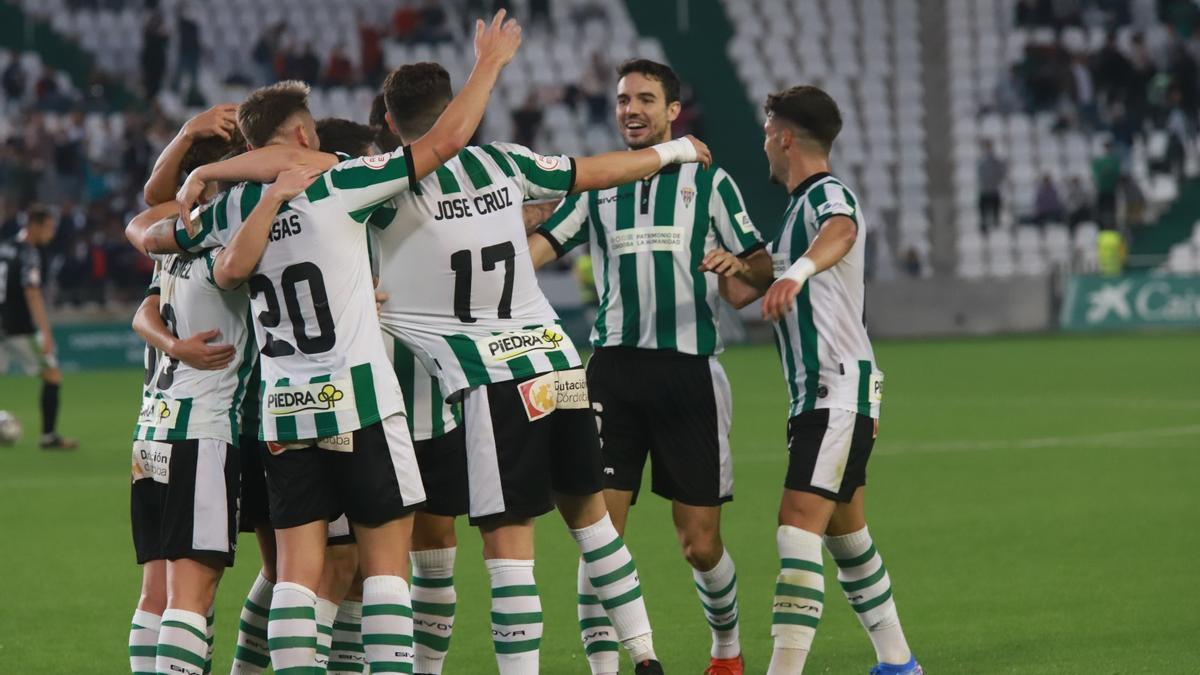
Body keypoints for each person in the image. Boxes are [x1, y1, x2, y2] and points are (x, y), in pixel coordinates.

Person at [137, 12, 523, 673]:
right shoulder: (344, 181)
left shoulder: (230, 208)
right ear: (305, 134)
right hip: (363, 401)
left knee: (294, 572)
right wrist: (489, 64)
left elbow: (151, 231)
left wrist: (204, 180)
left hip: (283, 408)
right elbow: (447, 140)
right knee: (383, 568)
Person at [360, 59, 707, 675]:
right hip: (557, 362)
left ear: (389, 121)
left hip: (493, 381)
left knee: (509, 548)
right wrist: (675, 151)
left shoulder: (384, 188)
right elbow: (597, 171)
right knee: (593, 522)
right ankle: (646, 656)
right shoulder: (505, 163)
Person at [531, 58, 771, 675]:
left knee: (700, 545)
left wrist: (737, 268)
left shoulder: (712, 184)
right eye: (621, 100)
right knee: (598, 536)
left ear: (672, 111)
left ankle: (725, 648)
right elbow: (540, 248)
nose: (630, 110)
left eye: (643, 99)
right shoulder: (600, 184)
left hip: (690, 373)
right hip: (610, 373)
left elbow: (759, 271)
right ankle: (611, 667)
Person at [717, 85, 922, 675]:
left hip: (836, 390)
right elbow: (740, 292)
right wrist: (732, 267)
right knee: (845, 536)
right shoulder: (789, 221)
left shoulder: (825, 196)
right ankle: (898, 662)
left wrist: (797, 273)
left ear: (784, 136)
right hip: (823, 395)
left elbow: (842, 231)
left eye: (766, 134)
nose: (763, 146)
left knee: (795, 531)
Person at [0, 206, 76, 449]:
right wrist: (45, 332)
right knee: (52, 375)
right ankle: (49, 436)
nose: (52, 233)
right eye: (49, 228)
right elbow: (32, 292)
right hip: (19, 327)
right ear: (34, 225)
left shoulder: (5, 247)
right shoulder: (30, 253)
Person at [977, 139, 1006, 231]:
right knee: (983, 212)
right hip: (985, 190)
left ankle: (995, 224)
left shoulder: (995, 160)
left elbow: (1001, 172)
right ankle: (984, 225)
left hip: (993, 189)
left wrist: (996, 180)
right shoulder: (981, 160)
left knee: (995, 212)